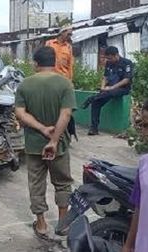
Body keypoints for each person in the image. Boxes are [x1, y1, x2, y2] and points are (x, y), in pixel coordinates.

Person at [15, 46, 76, 240]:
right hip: (59, 146)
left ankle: (41, 225)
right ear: (55, 62)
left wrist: (41, 129)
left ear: (35, 63)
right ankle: (63, 224)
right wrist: (54, 139)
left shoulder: (25, 84)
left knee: (36, 184)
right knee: (63, 183)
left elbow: (20, 113)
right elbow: (66, 114)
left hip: (34, 145)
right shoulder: (65, 84)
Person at [82, 46, 133, 135]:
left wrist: (112, 87)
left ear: (116, 55)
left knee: (110, 92)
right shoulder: (109, 63)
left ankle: (92, 98)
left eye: (110, 58)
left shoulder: (127, 63)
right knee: (96, 103)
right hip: (109, 90)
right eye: (107, 58)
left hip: (122, 89)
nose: (109, 60)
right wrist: (103, 87)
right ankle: (94, 128)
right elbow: (105, 77)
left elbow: (126, 80)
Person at [122, 101, 148, 252]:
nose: (146, 132)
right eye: (144, 126)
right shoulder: (144, 164)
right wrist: (128, 245)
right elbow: (139, 207)